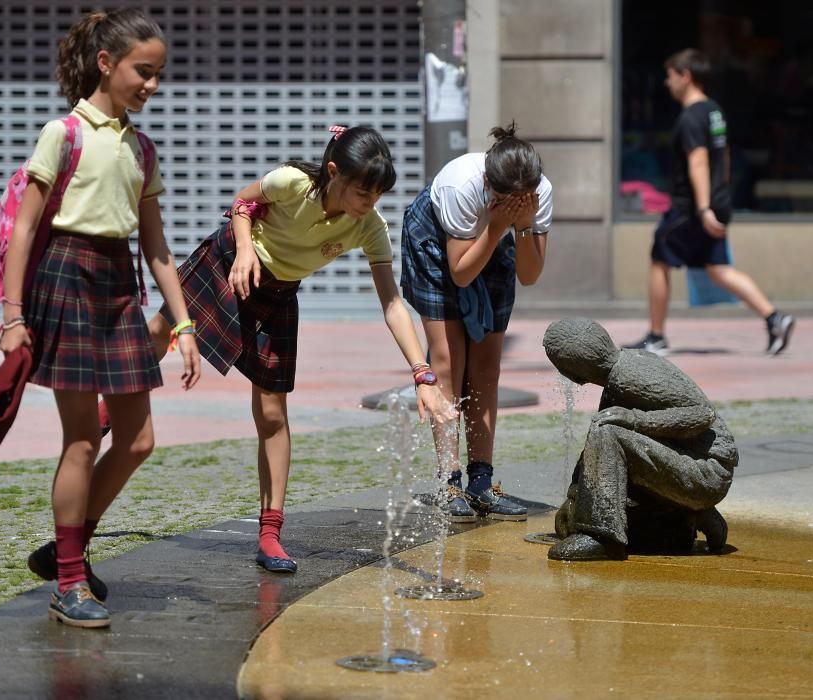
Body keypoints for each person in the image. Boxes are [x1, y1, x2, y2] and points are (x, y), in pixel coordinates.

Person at [121, 124, 456, 574]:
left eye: (376, 196)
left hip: (278, 296)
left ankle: (270, 533)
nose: (368, 204)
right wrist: (243, 249)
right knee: (160, 331)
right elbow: (242, 202)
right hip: (229, 264)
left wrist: (423, 374)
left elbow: (392, 303)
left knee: (273, 414)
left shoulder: (368, 228)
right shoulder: (291, 182)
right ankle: (114, 403)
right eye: (362, 192)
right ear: (334, 172)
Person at [0, 8, 201, 628]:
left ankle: (64, 553)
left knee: (138, 439)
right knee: (83, 439)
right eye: (144, 71)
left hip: (119, 285)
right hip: (66, 279)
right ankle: (68, 581)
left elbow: (158, 247)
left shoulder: (142, 146)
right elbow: (26, 228)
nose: (152, 85)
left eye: (159, 74)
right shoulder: (63, 133)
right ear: (107, 63)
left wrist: (185, 324)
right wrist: (12, 315)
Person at [400, 124, 553, 523]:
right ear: (488, 181)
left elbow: (530, 274)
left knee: (487, 368)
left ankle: (481, 484)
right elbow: (461, 274)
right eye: (509, 198)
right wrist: (499, 224)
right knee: (450, 364)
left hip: (494, 241)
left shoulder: (538, 195)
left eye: (525, 198)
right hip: (438, 247)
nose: (520, 203)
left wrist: (519, 224)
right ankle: (448, 482)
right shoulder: (460, 186)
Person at [625, 48, 795, 356]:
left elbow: (699, 162)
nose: (667, 83)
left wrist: (703, 208)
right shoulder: (714, 111)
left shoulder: (691, 117)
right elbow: (724, 157)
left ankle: (656, 336)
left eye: (670, 76)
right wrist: (719, 197)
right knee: (718, 268)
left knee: (659, 258)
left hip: (690, 208)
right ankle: (775, 318)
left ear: (685, 76)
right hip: (715, 203)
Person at [543, 318, 735, 561]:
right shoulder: (618, 374)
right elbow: (597, 454)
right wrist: (575, 497)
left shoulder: (630, 375)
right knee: (607, 431)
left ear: (573, 373)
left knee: (608, 431)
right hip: (690, 464)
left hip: (706, 473)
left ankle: (602, 538)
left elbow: (701, 414)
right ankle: (692, 513)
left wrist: (634, 419)